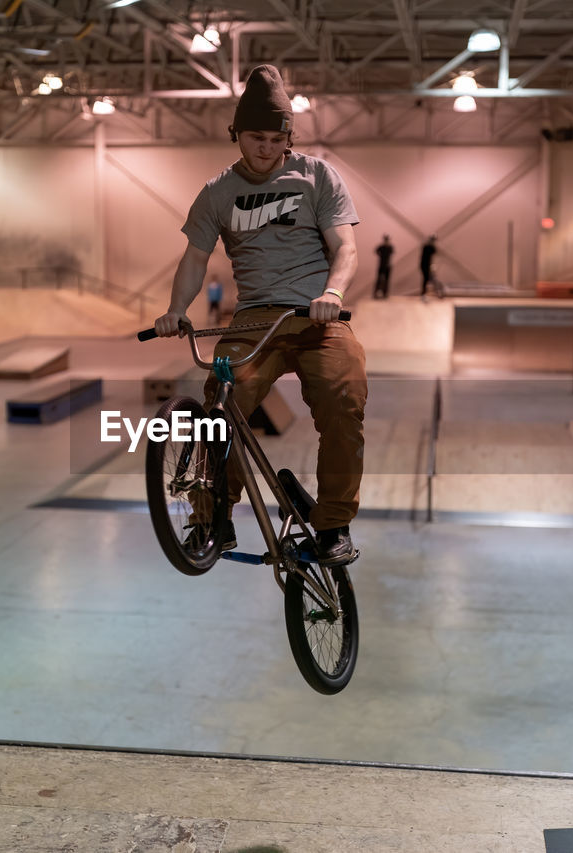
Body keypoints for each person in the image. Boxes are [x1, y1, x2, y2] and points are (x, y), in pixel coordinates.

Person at [152, 63, 366, 566]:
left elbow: (346, 248)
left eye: (276, 137)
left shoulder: (317, 177)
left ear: (289, 135)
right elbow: (195, 259)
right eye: (256, 137)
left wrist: (333, 292)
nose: (267, 147)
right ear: (236, 135)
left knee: (344, 401)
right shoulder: (217, 193)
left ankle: (333, 522)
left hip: (317, 318)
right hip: (253, 321)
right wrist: (174, 310)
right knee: (220, 405)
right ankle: (214, 517)